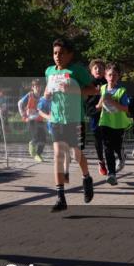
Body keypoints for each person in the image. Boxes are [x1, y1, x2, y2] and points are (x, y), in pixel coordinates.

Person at [44, 39, 98, 212]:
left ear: (69, 54)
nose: (57, 57)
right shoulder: (49, 71)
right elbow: (49, 92)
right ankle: (60, 198)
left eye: (60, 53)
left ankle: (87, 178)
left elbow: (93, 90)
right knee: (58, 155)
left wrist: (74, 90)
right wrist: (46, 94)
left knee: (76, 154)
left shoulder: (77, 71)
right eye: (54, 53)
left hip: (75, 119)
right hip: (57, 119)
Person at [96, 63, 131, 186]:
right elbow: (100, 104)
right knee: (107, 148)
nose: (112, 77)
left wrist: (113, 102)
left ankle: (121, 153)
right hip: (105, 122)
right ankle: (112, 174)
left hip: (118, 124)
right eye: (109, 75)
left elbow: (126, 109)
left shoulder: (121, 91)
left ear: (118, 77)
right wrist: (98, 106)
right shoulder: (103, 88)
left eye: (114, 75)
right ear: (105, 76)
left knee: (116, 146)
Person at [84, 59, 107, 176]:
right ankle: (101, 161)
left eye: (101, 68)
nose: (98, 70)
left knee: (109, 139)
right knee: (98, 139)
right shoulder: (88, 83)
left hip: (109, 115)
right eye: (95, 68)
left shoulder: (108, 81)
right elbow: (86, 101)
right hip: (95, 114)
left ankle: (118, 153)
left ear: (104, 71)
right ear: (91, 71)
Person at [18, 79, 47, 163]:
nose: (38, 88)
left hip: (40, 119)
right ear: (32, 87)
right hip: (31, 119)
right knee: (37, 136)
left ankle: (38, 154)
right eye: (36, 86)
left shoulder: (42, 96)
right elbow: (19, 103)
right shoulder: (29, 95)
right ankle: (32, 143)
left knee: (44, 138)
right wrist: (23, 115)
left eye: (39, 86)